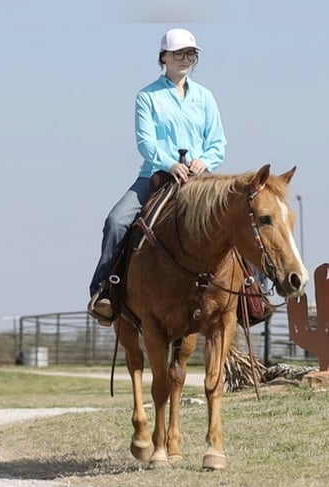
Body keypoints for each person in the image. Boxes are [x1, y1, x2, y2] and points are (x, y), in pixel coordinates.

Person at [88, 28, 227, 324]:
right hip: (156, 178)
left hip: (200, 182)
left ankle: (254, 293)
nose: (186, 59)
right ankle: (104, 291)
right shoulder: (147, 96)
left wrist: (205, 160)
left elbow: (218, 142)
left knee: (239, 215)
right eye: (179, 53)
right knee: (116, 221)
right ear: (163, 56)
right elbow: (146, 143)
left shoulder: (205, 97)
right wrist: (169, 164)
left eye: (191, 54)